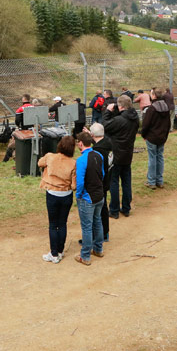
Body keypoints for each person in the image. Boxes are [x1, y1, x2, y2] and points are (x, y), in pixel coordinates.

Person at [37, 135, 76, 263]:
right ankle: (60, 251)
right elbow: (74, 185)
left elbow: (39, 163)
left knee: (53, 225)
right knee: (62, 223)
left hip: (52, 193)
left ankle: (53, 254)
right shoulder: (73, 163)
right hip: (66, 194)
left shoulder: (50, 157)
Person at [104, 94, 138, 219]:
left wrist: (108, 111)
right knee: (126, 181)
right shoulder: (134, 118)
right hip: (127, 153)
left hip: (117, 154)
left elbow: (106, 126)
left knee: (113, 181)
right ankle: (126, 208)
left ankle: (114, 209)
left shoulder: (120, 120)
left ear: (121, 106)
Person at [74, 130, 106, 266]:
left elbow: (80, 182)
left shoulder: (81, 160)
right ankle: (98, 249)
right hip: (99, 195)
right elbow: (103, 173)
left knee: (87, 227)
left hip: (87, 198)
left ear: (80, 143)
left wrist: (78, 195)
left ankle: (85, 255)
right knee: (97, 222)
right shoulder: (99, 155)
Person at [140, 89, 171, 190]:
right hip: (162, 137)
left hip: (152, 137)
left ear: (154, 96)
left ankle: (152, 181)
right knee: (160, 157)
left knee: (153, 158)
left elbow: (146, 124)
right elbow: (168, 124)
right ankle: (159, 181)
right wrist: (165, 136)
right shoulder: (166, 107)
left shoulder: (152, 109)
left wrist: (143, 135)